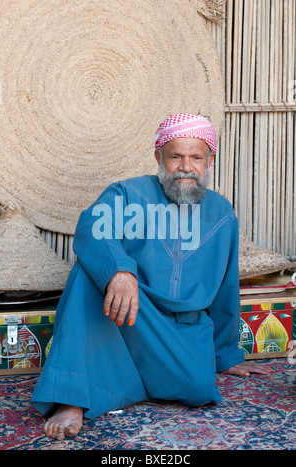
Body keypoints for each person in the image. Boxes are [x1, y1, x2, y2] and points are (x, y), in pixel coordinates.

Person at [31, 113, 271, 440]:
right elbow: (91, 229)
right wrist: (120, 270)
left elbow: (225, 290)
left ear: (209, 160)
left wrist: (225, 354)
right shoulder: (128, 194)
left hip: (180, 334)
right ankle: (72, 398)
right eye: (175, 156)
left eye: (196, 157)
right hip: (128, 317)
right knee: (90, 272)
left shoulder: (222, 213)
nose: (186, 167)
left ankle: (125, 381)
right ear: (158, 156)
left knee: (199, 388)